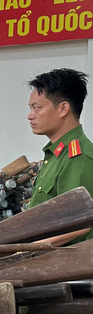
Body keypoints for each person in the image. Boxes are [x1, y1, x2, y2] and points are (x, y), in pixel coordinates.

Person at [26, 69, 93, 241]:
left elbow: (78, 225)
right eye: (30, 108)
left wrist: (20, 251)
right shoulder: (55, 154)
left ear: (63, 109)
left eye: (37, 108)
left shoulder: (77, 157)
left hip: (63, 257)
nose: (30, 116)